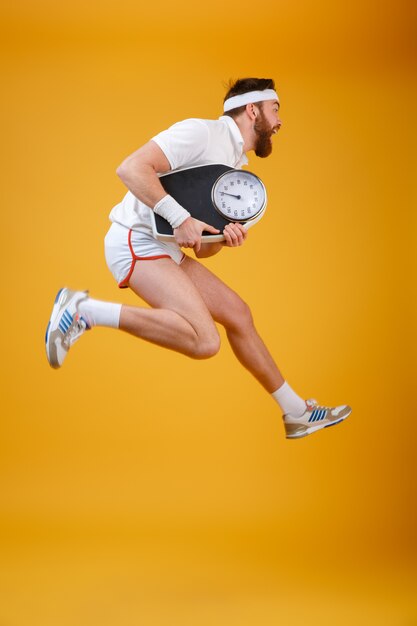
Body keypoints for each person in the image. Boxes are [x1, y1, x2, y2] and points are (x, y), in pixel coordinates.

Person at [45, 77, 351, 439]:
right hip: (134, 239)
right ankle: (84, 311)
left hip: (164, 248)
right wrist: (180, 218)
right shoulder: (202, 133)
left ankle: (296, 412)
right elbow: (131, 168)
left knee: (238, 314)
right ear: (253, 110)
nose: (280, 121)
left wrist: (224, 238)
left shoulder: (233, 170)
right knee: (205, 343)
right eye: (275, 110)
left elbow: (201, 246)